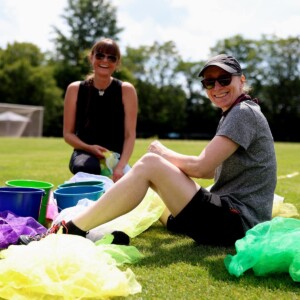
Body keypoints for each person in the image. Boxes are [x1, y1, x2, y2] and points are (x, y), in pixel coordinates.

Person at [19, 54, 277, 247]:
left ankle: (73, 228)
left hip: (238, 225)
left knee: (151, 164)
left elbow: (202, 168)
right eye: (209, 83)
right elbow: (208, 173)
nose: (217, 87)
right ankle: (165, 223)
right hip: (230, 218)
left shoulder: (242, 113)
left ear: (241, 81)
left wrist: (162, 153)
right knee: (154, 190)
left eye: (224, 79)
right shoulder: (235, 112)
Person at [63, 38, 138, 182]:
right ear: (91, 57)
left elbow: (130, 135)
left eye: (111, 57)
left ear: (117, 63)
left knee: (135, 187)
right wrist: (90, 148)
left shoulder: (126, 90)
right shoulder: (75, 89)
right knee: (88, 167)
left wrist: (120, 167)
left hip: (115, 158)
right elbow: (68, 134)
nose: (105, 60)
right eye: (100, 55)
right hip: (84, 154)